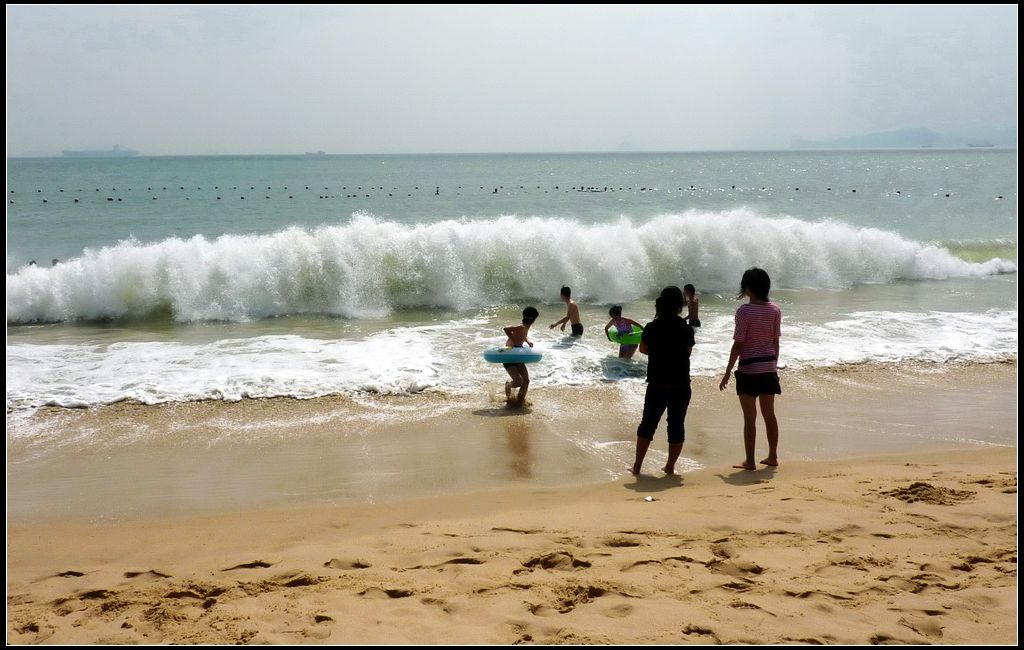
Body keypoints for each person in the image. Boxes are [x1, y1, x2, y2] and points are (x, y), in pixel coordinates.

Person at [719, 267, 782, 470]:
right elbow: (775, 342)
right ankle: (772, 456)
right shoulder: (775, 309)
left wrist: (728, 371)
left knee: (750, 418)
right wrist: (773, 364)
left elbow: (739, 344)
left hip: (748, 369)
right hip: (769, 367)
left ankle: (750, 461)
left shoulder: (744, 311)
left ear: (747, 287)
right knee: (769, 415)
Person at [632, 286, 695, 475]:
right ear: (679, 306)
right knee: (676, 426)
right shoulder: (686, 329)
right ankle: (669, 467)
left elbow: (643, 349)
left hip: (657, 383)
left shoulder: (653, 327)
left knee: (647, 425)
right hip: (680, 383)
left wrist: (659, 352)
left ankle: (637, 467)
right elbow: (687, 352)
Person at [503, 306, 539, 407]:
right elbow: (506, 329)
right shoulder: (522, 326)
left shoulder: (525, 328)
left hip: (517, 356)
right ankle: (508, 385)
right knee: (519, 382)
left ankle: (520, 400)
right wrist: (513, 339)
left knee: (526, 380)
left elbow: (522, 335)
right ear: (533, 320)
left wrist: (528, 341)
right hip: (509, 356)